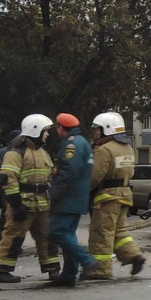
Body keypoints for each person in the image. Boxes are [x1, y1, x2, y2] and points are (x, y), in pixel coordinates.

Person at [0, 113, 61, 283]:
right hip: (23, 203)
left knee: (47, 237)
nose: (47, 134)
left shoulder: (43, 152)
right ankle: (2, 270)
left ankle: (52, 268)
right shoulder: (15, 153)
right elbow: (8, 178)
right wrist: (16, 205)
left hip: (43, 203)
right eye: (45, 131)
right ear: (36, 130)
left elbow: (50, 175)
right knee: (14, 236)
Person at [83, 111, 144, 279]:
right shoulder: (128, 148)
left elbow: (95, 176)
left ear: (107, 130)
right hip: (124, 194)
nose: (95, 132)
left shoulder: (105, 149)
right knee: (118, 230)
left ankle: (100, 270)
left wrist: (84, 190)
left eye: (98, 129)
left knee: (101, 233)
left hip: (107, 197)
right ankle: (133, 255)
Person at [46, 113, 94, 288]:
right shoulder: (83, 143)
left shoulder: (72, 144)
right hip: (77, 197)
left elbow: (68, 171)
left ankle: (86, 260)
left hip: (68, 197)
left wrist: (54, 192)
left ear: (61, 127)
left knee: (56, 232)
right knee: (68, 235)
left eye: (57, 127)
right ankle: (68, 274)